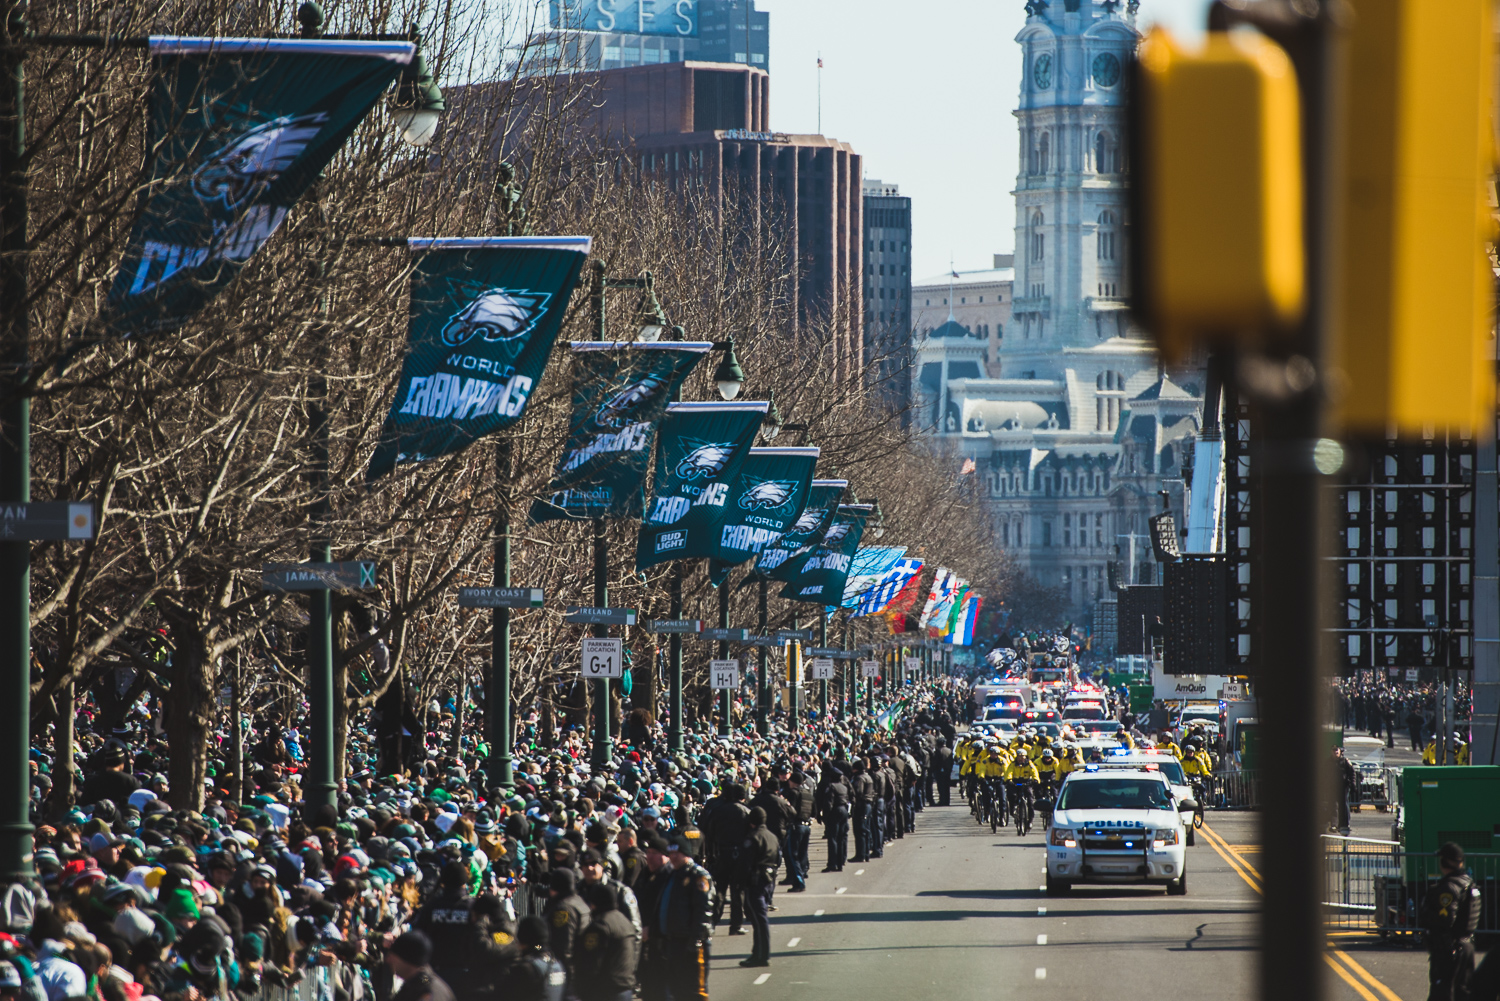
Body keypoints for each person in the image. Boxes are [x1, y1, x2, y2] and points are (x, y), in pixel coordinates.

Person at [1421, 842, 1480, 1001]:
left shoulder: (1449, 888)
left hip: (1449, 950)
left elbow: (1444, 919)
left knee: (1442, 994)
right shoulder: (1468, 883)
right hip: (1466, 946)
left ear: (1445, 862)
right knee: (1463, 993)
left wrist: (1425, 914)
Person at [657, 833, 713, 1001]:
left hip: (690, 942)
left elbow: (704, 910)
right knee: (677, 989)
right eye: (670, 853)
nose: (673, 857)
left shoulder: (698, 876)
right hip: (674, 940)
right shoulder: (673, 874)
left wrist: (696, 940)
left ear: (686, 854)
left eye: (677, 853)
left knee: (695, 990)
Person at [573, 883, 638, 1001]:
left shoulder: (599, 926)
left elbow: (591, 963)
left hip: (605, 992)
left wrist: (582, 991)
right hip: (625, 988)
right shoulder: (625, 922)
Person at [737, 807, 778, 969]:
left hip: (756, 882)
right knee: (758, 919)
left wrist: (740, 882)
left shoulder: (753, 838)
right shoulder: (772, 836)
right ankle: (757, 952)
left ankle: (762, 955)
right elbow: (779, 858)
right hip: (769, 881)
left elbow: (745, 863)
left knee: (759, 920)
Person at [386, 931, 457, 1001]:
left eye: (393, 956)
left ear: (406, 960)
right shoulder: (421, 983)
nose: (388, 960)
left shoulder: (427, 992)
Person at [930, 739, 954, 807]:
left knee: (941, 787)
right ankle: (947, 801)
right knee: (947, 787)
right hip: (947, 771)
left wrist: (933, 769)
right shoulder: (949, 750)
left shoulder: (938, 751)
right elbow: (951, 761)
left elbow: (936, 761)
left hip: (940, 771)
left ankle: (942, 801)